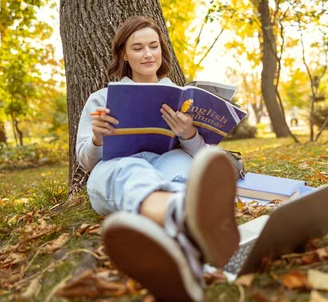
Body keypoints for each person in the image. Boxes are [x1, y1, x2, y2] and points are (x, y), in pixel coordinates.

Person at [76, 16, 239, 301]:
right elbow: (86, 163)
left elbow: (202, 156)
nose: (148, 54)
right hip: (116, 170)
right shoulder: (101, 99)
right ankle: (188, 221)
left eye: (154, 46)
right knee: (132, 168)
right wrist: (98, 139)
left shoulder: (181, 99)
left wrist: (188, 134)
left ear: (162, 50)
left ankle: (182, 243)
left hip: (168, 161)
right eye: (138, 48)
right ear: (124, 55)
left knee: (180, 163)